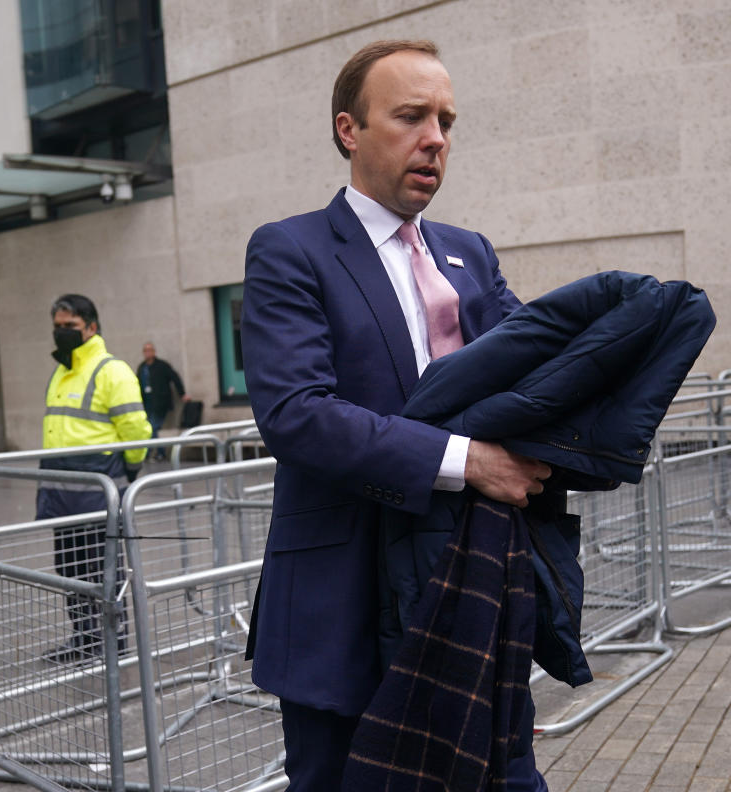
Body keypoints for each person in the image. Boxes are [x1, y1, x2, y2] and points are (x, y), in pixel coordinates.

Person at [240, 40, 552, 790]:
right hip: (341, 603)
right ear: (349, 129)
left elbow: (536, 374)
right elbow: (295, 414)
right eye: (410, 116)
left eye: (445, 120)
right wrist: (464, 461)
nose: (435, 138)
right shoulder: (290, 251)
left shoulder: (468, 255)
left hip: (465, 585)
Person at [38, 295, 152, 663]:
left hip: (96, 491)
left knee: (101, 570)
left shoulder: (112, 371)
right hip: (60, 490)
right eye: (58, 325)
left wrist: (132, 471)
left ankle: (110, 641)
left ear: (91, 326)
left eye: (69, 326)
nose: (61, 332)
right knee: (70, 570)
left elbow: (136, 430)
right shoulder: (61, 369)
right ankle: (84, 640)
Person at [135, 342, 190, 460]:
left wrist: (182, 394)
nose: (147, 353)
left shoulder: (162, 366)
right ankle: (156, 452)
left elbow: (175, 378)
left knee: (153, 427)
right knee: (151, 428)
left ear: (154, 352)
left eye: (149, 350)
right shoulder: (142, 367)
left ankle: (152, 453)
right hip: (147, 403)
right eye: (145, 350)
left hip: (160, 403)